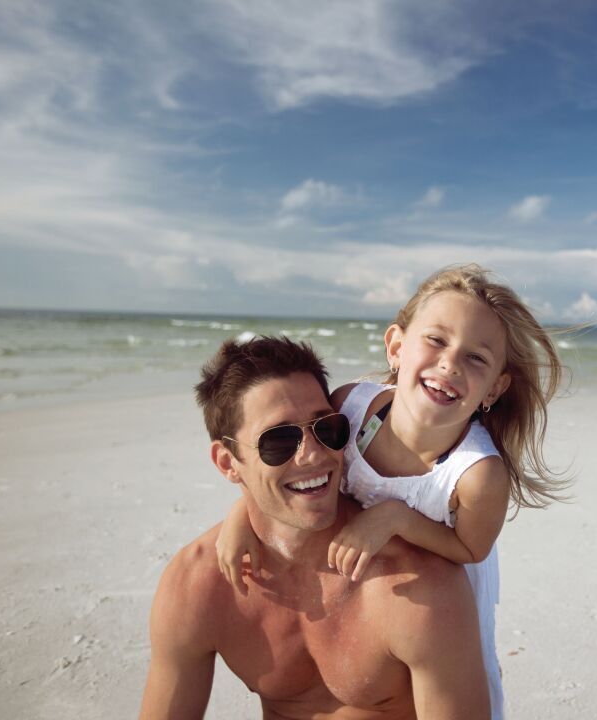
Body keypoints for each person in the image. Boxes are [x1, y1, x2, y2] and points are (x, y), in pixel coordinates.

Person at [217, 264, 569, 719]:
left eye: (476, 358)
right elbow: (299, 476)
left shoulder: (477, 475)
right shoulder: (352, 407)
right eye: (436, 340)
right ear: (397, 347)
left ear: (494, 389)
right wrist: (240, 514)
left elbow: (471, 547)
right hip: (359, 580)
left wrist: (395, 517)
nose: (450, 364)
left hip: (443, 598)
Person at [138, 335, 490, 719]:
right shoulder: (198, 583)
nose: (313, 453)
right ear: (227, 463)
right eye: (279, 440)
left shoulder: (418, 585)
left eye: (327, 428)